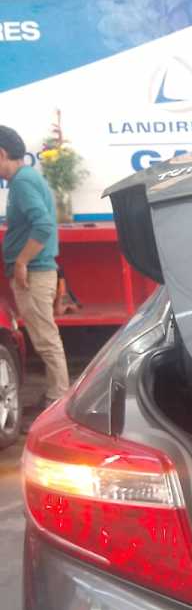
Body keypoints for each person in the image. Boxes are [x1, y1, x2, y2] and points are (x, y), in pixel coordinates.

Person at [0, 125, 69, 415]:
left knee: (46, 340)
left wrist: (21, 261)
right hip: (37, 271)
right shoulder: (26, 179)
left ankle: (59, 402)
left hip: (35, 273)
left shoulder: (22, 182)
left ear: (2, 154)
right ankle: (56, 397)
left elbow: (43, 225)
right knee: (46, 338)